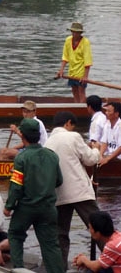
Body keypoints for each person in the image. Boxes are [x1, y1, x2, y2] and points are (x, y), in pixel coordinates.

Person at [4, 118, 65, 273]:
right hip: (48, 208)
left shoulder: (21, 158)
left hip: (27, 207)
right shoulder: (52, 156)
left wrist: (9, 206)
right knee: (51, 244)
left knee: (15, 235)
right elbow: (59, 181)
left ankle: (18, 269)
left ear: (22, 136)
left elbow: (16, 186)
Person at [44, 111, 102, 265]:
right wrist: (96, 149)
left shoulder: (47, 143)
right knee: (99, 227)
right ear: (68, 123)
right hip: (79, 192)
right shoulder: (73, 136)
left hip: (59, 194)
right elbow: (90, 159)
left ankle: (59, 266)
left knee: (61, 234)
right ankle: (115, 261)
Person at [56, 22, 92, 103]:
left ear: (80, 33)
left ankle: (82, 109)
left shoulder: (85, 42)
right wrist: (61, 70)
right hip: (72, 71)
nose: (75, 34)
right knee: (74, 91)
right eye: (73, 32)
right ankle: (76, 107)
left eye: (77, 32)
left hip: (81, 72)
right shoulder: (68, 40)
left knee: (81, 91)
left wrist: (85, 76)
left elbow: (87, 59)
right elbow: (65, 56)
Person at [99, 101, 121, 166]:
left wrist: (108, 159)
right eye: (106, 111)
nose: (106, 113)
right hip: (110, 156)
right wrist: (100, 155)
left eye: (109, 111)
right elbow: (104, 143)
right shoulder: (107, 124)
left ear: (116, 114)